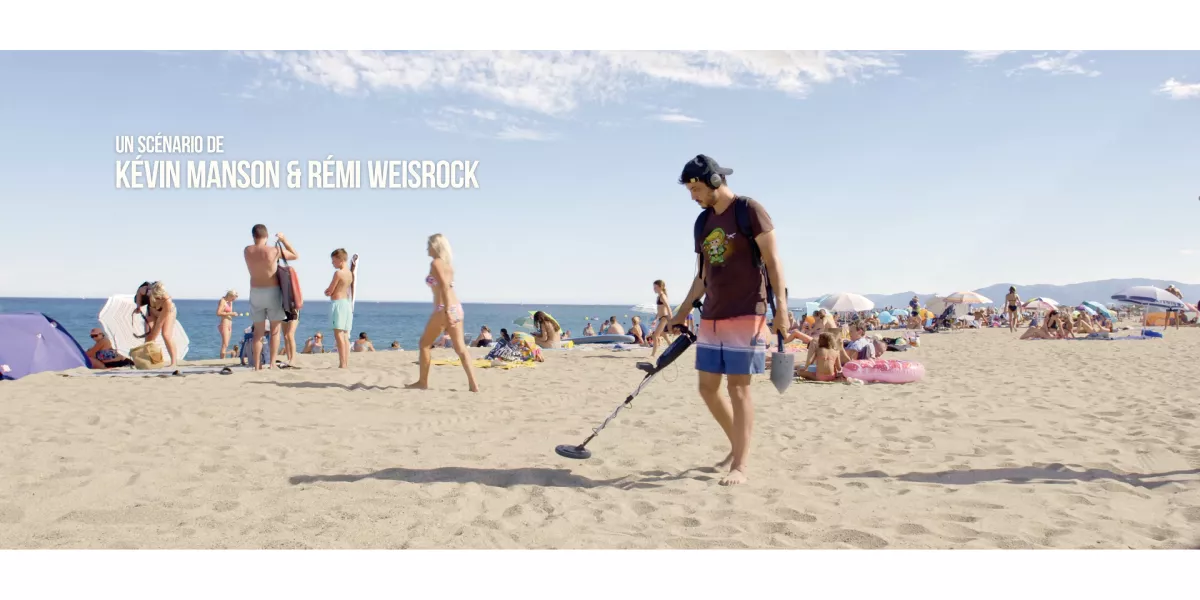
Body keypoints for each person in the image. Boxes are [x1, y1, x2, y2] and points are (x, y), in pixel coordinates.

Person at [668, 154, 789, 487]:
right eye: (690, 190)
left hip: (748, 311)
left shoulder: (749, 211)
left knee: (738, 389)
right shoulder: (702, 223)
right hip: (712, 314)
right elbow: (702, 276)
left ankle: (740, 464)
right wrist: (681, 311)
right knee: (707, 389)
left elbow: (774, 262)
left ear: (715, 182)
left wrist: (782, 309)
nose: (693, 196)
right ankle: (738, 445)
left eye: (696, 188)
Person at [407, 233, 479, 392]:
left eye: (429, 245)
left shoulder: (436, 263)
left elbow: (445, 287)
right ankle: (474, 385)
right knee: (461, 349)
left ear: (435, 246)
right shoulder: (448, 265)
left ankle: (422, 382)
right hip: (457, 307)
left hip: (444, 308)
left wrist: (446, 311)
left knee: (424, 344)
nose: (427, 248)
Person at [244, 224, 298, 370]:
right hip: (273, 291)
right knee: (275, 330)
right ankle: (272, 364)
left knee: (258, 333)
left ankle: (256, 365)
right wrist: (283, 239)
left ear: (254, 236)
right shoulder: (274, 251)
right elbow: (295, 255)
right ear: (266, 236)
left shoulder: (247, 251)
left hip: (255, 291)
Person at [140, 282, 181, 368]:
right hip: (152, 311)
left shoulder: (167, 301)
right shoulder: (147, 291)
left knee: (166, 335)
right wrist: (138, 305)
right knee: (149, 337)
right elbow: (139, 292)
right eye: (155, 296)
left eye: (159, 297)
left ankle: (173, 362)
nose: (157, 298)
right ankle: (150, 361)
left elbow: (160, 322)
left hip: (168, 312)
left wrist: (154, 334)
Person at [325, 248, 354, 368]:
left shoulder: (338, 273)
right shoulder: (350, 273)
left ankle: (342, 363)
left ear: (340, 260)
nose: (332, 263)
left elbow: (330, 290)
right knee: (345, 335)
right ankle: (345, 362)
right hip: (347, 303)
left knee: (338, 334)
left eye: (334, 261)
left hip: (338, 303)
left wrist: (326, 292)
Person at [650, 279, 672, 357]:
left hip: (664, 318)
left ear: (660, 287)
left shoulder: (662, 296)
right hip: (661, 318)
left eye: (655, 287)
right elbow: (659, 310)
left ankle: (653, 354)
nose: (654, 289)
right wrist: (655, 319)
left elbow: (668, 307)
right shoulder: (659, 296)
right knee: (663, 335)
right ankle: (672, 347)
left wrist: (671, 319)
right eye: (654, 287)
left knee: (655, 336)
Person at [216, 290, 238, 359]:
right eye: (233, 298)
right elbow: (218, 313)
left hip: (229, 324)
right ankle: (222, 359)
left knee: (226, 344)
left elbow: (229, 312)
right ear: (230, 296)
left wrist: (231, 304)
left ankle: (224, 358)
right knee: (225, 343)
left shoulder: (229, 302)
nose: (234, 300)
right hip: (224, 324)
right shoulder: (222, 301)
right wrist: (231, 313)